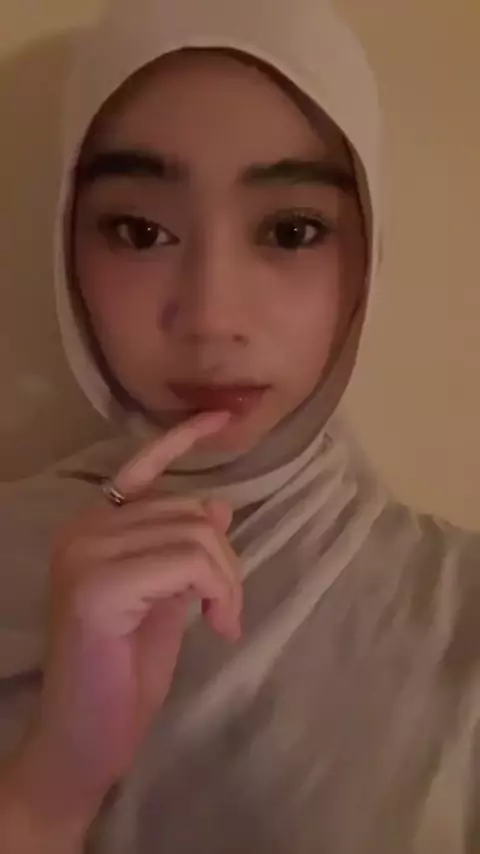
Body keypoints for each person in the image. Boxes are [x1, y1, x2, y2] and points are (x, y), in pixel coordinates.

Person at [0, 0, 479, 851]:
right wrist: (53, 787)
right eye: (139, 231)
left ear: (369, 252)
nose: (211, 316)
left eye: (292, 230)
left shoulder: (459, 615)